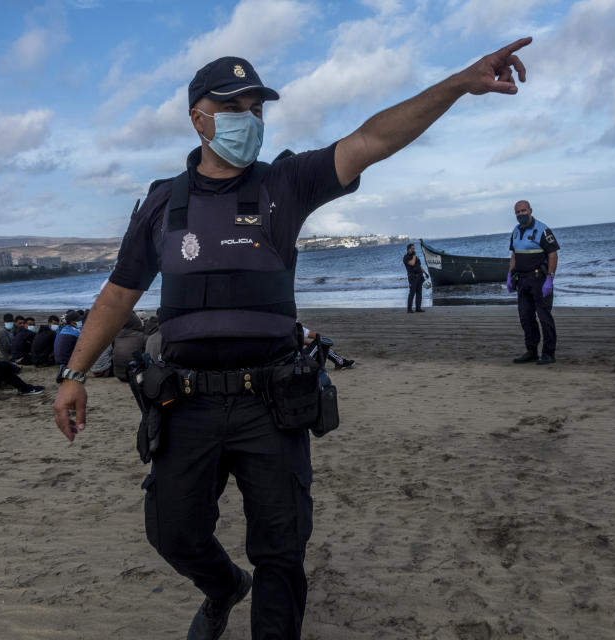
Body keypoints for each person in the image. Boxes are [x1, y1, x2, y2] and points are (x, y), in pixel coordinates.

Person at [53, 41, 531, 640]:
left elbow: (371, 139)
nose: (247, 118)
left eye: (256, 107)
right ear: (197, 117)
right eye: (232, 105)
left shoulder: (286, 183)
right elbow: (118, 294)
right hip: (185, 403)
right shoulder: (161, 204)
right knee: (172, 533)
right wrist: (74, 376)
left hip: (270, 403)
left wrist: (459, 84)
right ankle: (224, 586)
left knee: (280, 550)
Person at [506, 199, 559, 365]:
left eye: (523, 210)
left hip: (539, 280)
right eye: (518, 212)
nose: (521, 214)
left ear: (530, 210)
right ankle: (531, 351)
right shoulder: (515, 231)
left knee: (544, 317)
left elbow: (553, 254)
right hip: (522, 281)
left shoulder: (542, 230)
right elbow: (514, 255)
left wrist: (550, 278)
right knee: (526, 318)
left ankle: (549, 353)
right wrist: (510, 275)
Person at [111, 311, 146, 382]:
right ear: (136, 322)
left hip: (118, 374)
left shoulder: (116, 336)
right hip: (134, 375)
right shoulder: (142, 337)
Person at [53, 310, 82, 375]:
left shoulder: (64, 329)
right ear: (72, 322)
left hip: (58, 360)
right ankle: (66, 371)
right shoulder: (75, 332)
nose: (80, 321)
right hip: (66, 361)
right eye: (78, 320)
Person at [403, 243, 429, 313]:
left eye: (414, 248)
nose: (414, 250)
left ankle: (418, 308)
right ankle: (409, 309)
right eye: (412, 248)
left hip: (419, 276)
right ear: (408, 249)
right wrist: (414, 256)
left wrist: (425, 273)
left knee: (419, 293)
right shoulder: (406, 257)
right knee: (412, 293)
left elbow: (419, 266)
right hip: (412, 277)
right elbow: (412, 263)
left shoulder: (416, 257)